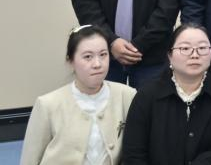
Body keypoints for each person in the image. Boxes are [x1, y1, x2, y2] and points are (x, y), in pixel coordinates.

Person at [121, 23, 211, 165]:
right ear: (170, 55)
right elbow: (133, 154)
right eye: (185, 48)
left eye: (202, 48)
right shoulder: (146, 95)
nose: (195, 55)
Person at [20, 25, 136, 165]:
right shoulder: (47, 105)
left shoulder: (127, 96)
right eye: (87, 57)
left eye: (103, 55)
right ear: (71, 61)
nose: (97, 64)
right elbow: (30, 160)